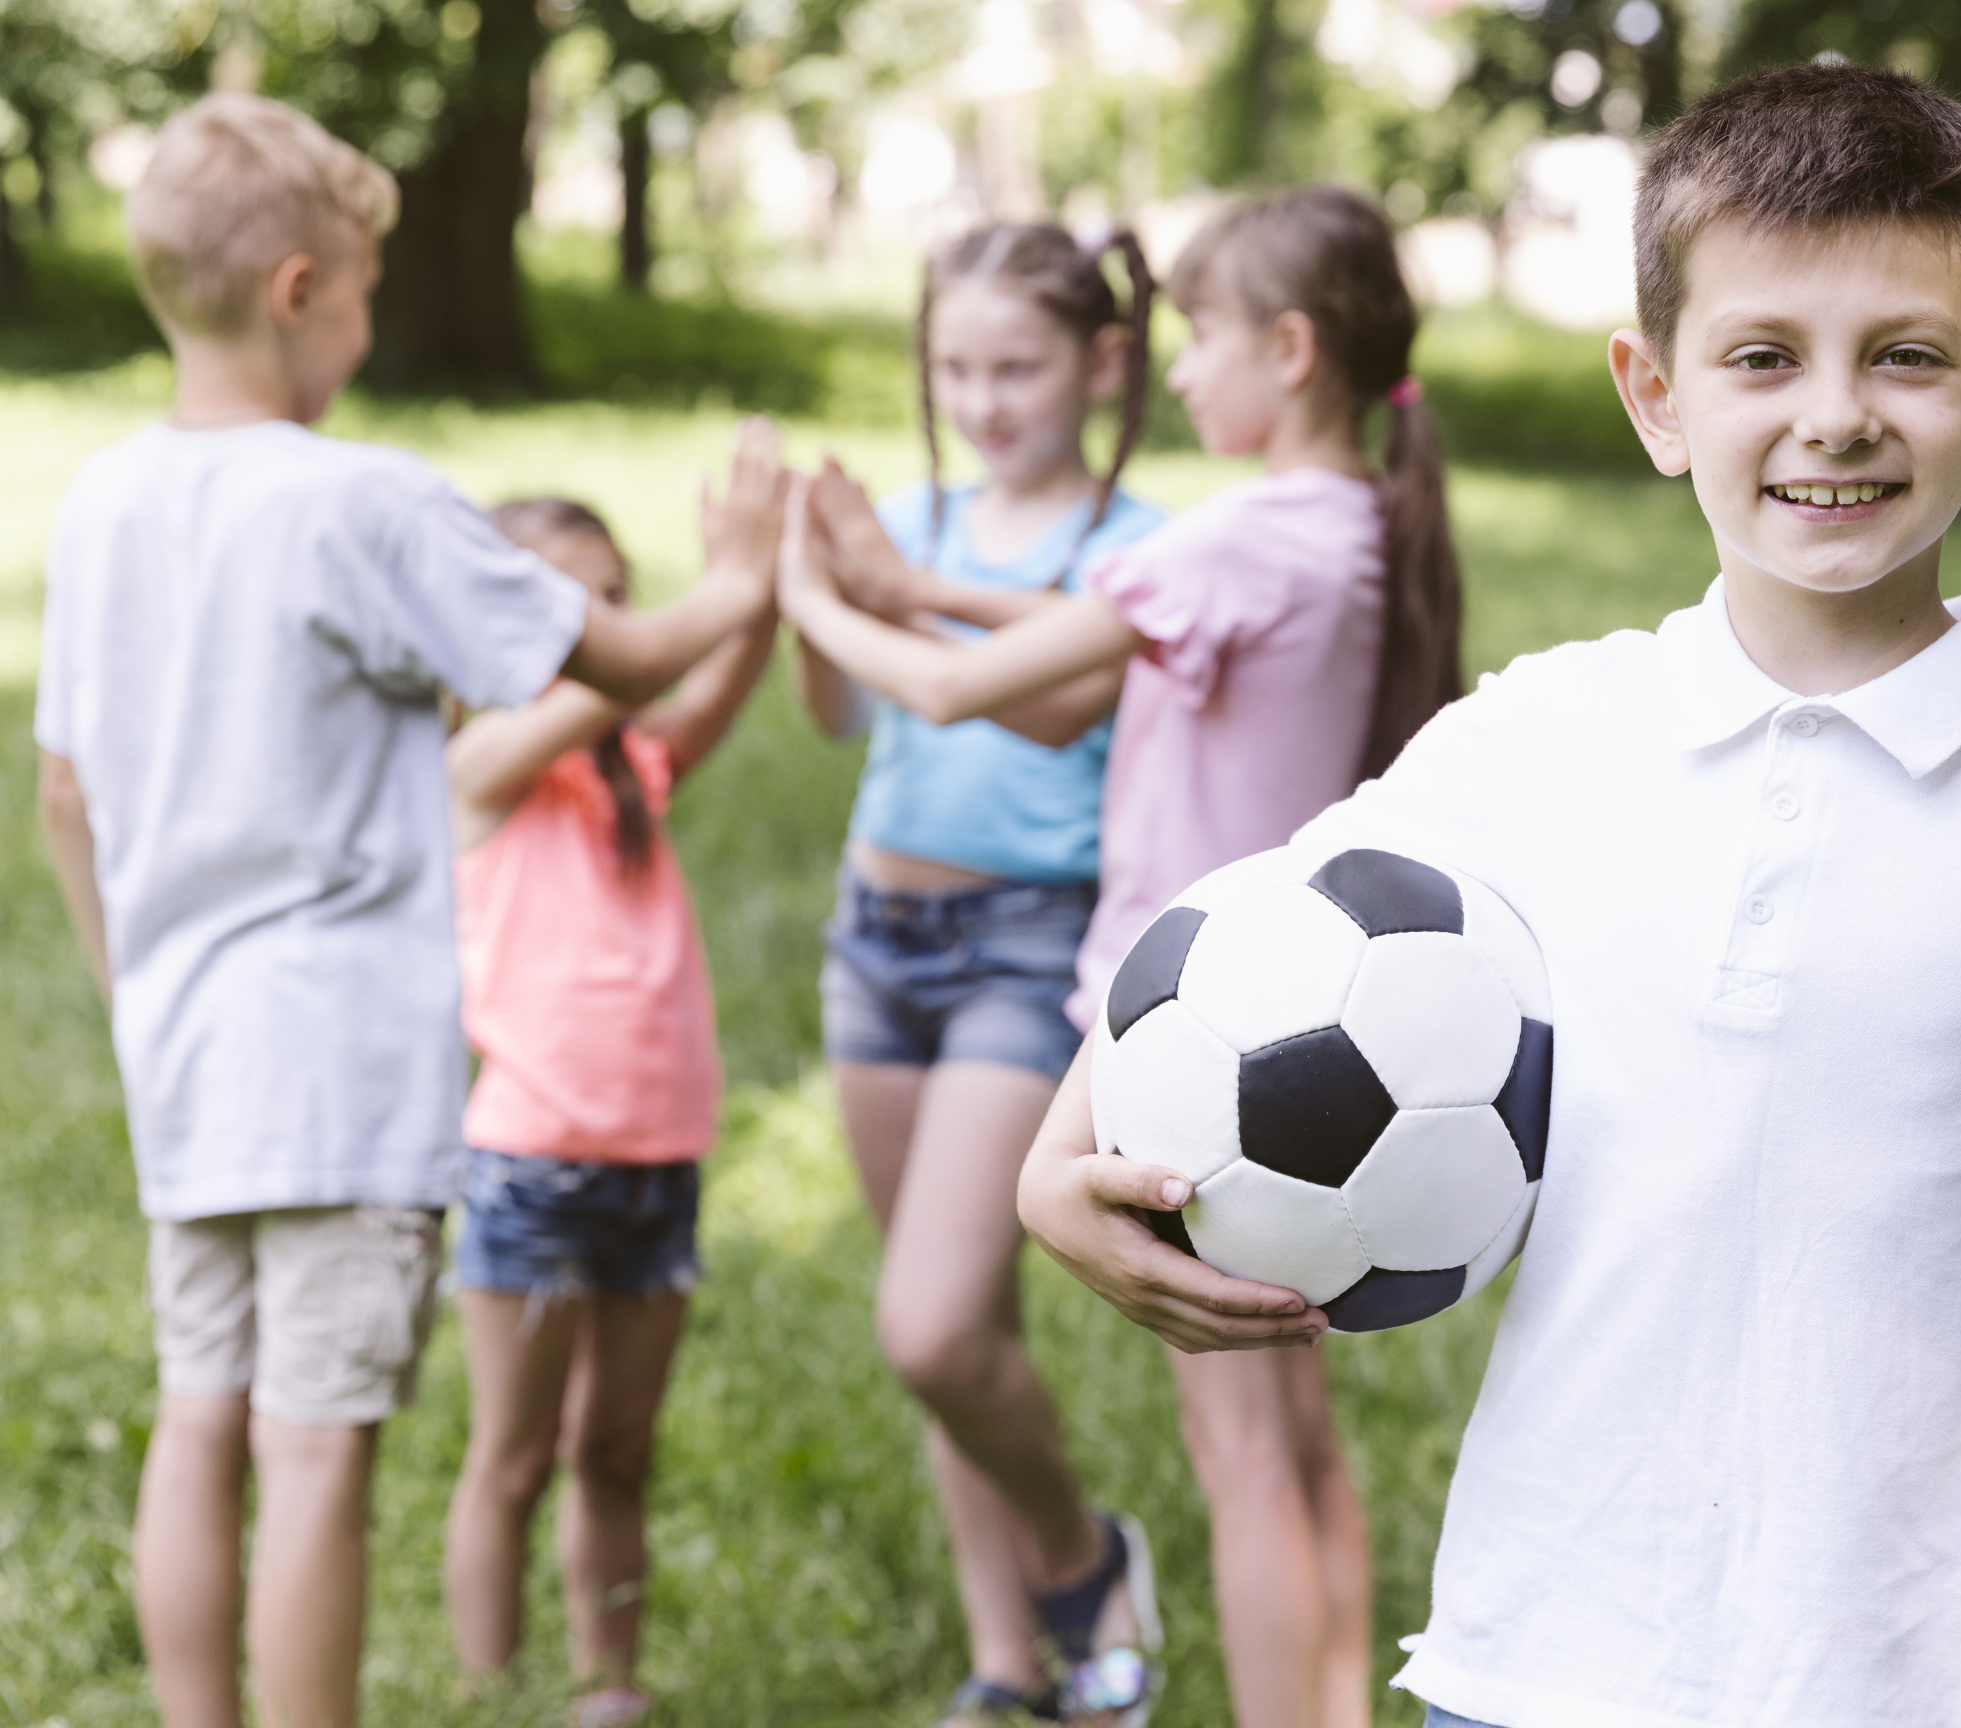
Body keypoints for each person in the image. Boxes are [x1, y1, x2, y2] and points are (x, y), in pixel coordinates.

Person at [1014, 66, 1961, 1728]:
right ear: (1655, 397)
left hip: (1914, 1678)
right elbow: (1250, 937)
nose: (1836, 416)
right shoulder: (1546, 731)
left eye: (1905, 356)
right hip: (1536, 1656)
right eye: (1762, 357)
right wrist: (1055, 1171)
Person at [32, 95, 775, 1728]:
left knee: (198, 1414)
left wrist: (132, 994)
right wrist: (737, 576)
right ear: (299, 291)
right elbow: (618, 658)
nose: (370, 325)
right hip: (341, 1072)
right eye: (366, 292)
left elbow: (66, 795)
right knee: (316, 1449)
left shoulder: (102, 502)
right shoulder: (361, 502)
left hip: (186, 1054)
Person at [783, 187, 1463, 1728]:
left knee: (1244, 1455)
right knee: (1292, 1445)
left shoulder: (1245, 532)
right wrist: (907, 586)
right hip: (1286, 1003)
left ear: (1290, 352)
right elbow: (1086, 624)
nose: (1185, 372)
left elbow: (955, 692)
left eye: (1204, 338)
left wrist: (812, 595)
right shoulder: (1349, 520)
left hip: (1205, 1030)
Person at [788, 222, 1169, 1727]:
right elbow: (832, 711)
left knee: (933, 1325)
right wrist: (817, 574)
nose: (985, 399)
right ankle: (1007, 1663)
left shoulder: (1135, 552)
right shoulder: (913, 517)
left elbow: (1058, 709)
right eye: (955, 369)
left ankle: (1082, 1564)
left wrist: (878, 593)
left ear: (1101, 362)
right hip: (877, 939)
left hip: (1026, 949)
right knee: (950, 1338)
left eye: (1017, 366)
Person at [441, 484, 784, 1728]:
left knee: (617, 1452)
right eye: (571, 606)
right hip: (532, 1165)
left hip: (658, 1158)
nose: (609, 628)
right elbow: (644, 674)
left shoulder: (631, 763)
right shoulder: (479, 766)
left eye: (619, 600)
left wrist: (764, 578)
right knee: (514, 1457)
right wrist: (705, 606)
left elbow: (717, 679)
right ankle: (490, 1694)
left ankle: (608, 1688)